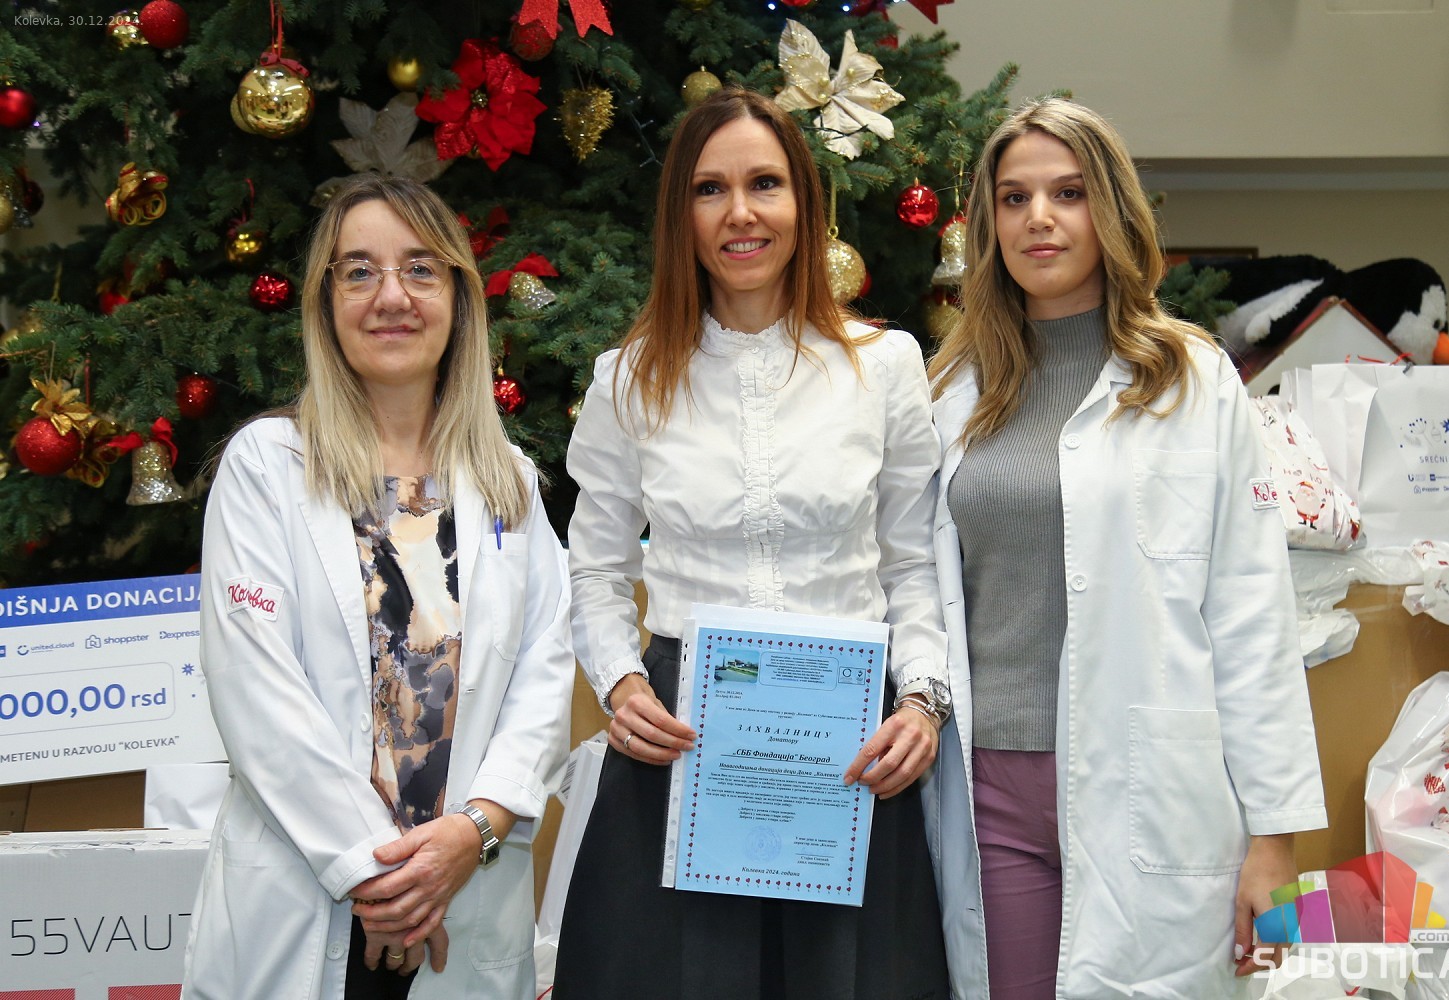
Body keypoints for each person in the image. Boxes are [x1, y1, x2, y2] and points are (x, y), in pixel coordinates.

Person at [553, 87, 951, 1000]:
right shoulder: (628, 378)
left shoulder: (883, 366)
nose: (740, 213)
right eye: (710, 189)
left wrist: (923, 703)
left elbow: (912, 562)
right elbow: (598, 566)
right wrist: (620, 683)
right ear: (680, 216)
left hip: (852, 749)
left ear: (804, 204)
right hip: (680, 743)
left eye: (765, 183)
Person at [924, 98, 1326, 999]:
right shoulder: (950, 386)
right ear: (989, 224)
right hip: (989, 787)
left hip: (1149, 782)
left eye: (1067, 193)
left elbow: (1253, 616)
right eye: (1015, 197)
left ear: (1110, 209)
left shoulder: (1194, 380)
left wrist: (1277, 843)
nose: (1039, 218)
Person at [181, 175, 574, 1000]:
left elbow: (543, 682)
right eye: (358, 271)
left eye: (420, 269)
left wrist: (473, 832)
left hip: (466, 901)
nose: (391, 296)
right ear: (325, 304)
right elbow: (256, 694)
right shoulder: (267, 467)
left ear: (458, 299)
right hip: (308, 897)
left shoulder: (508, 482)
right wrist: (383, 879)